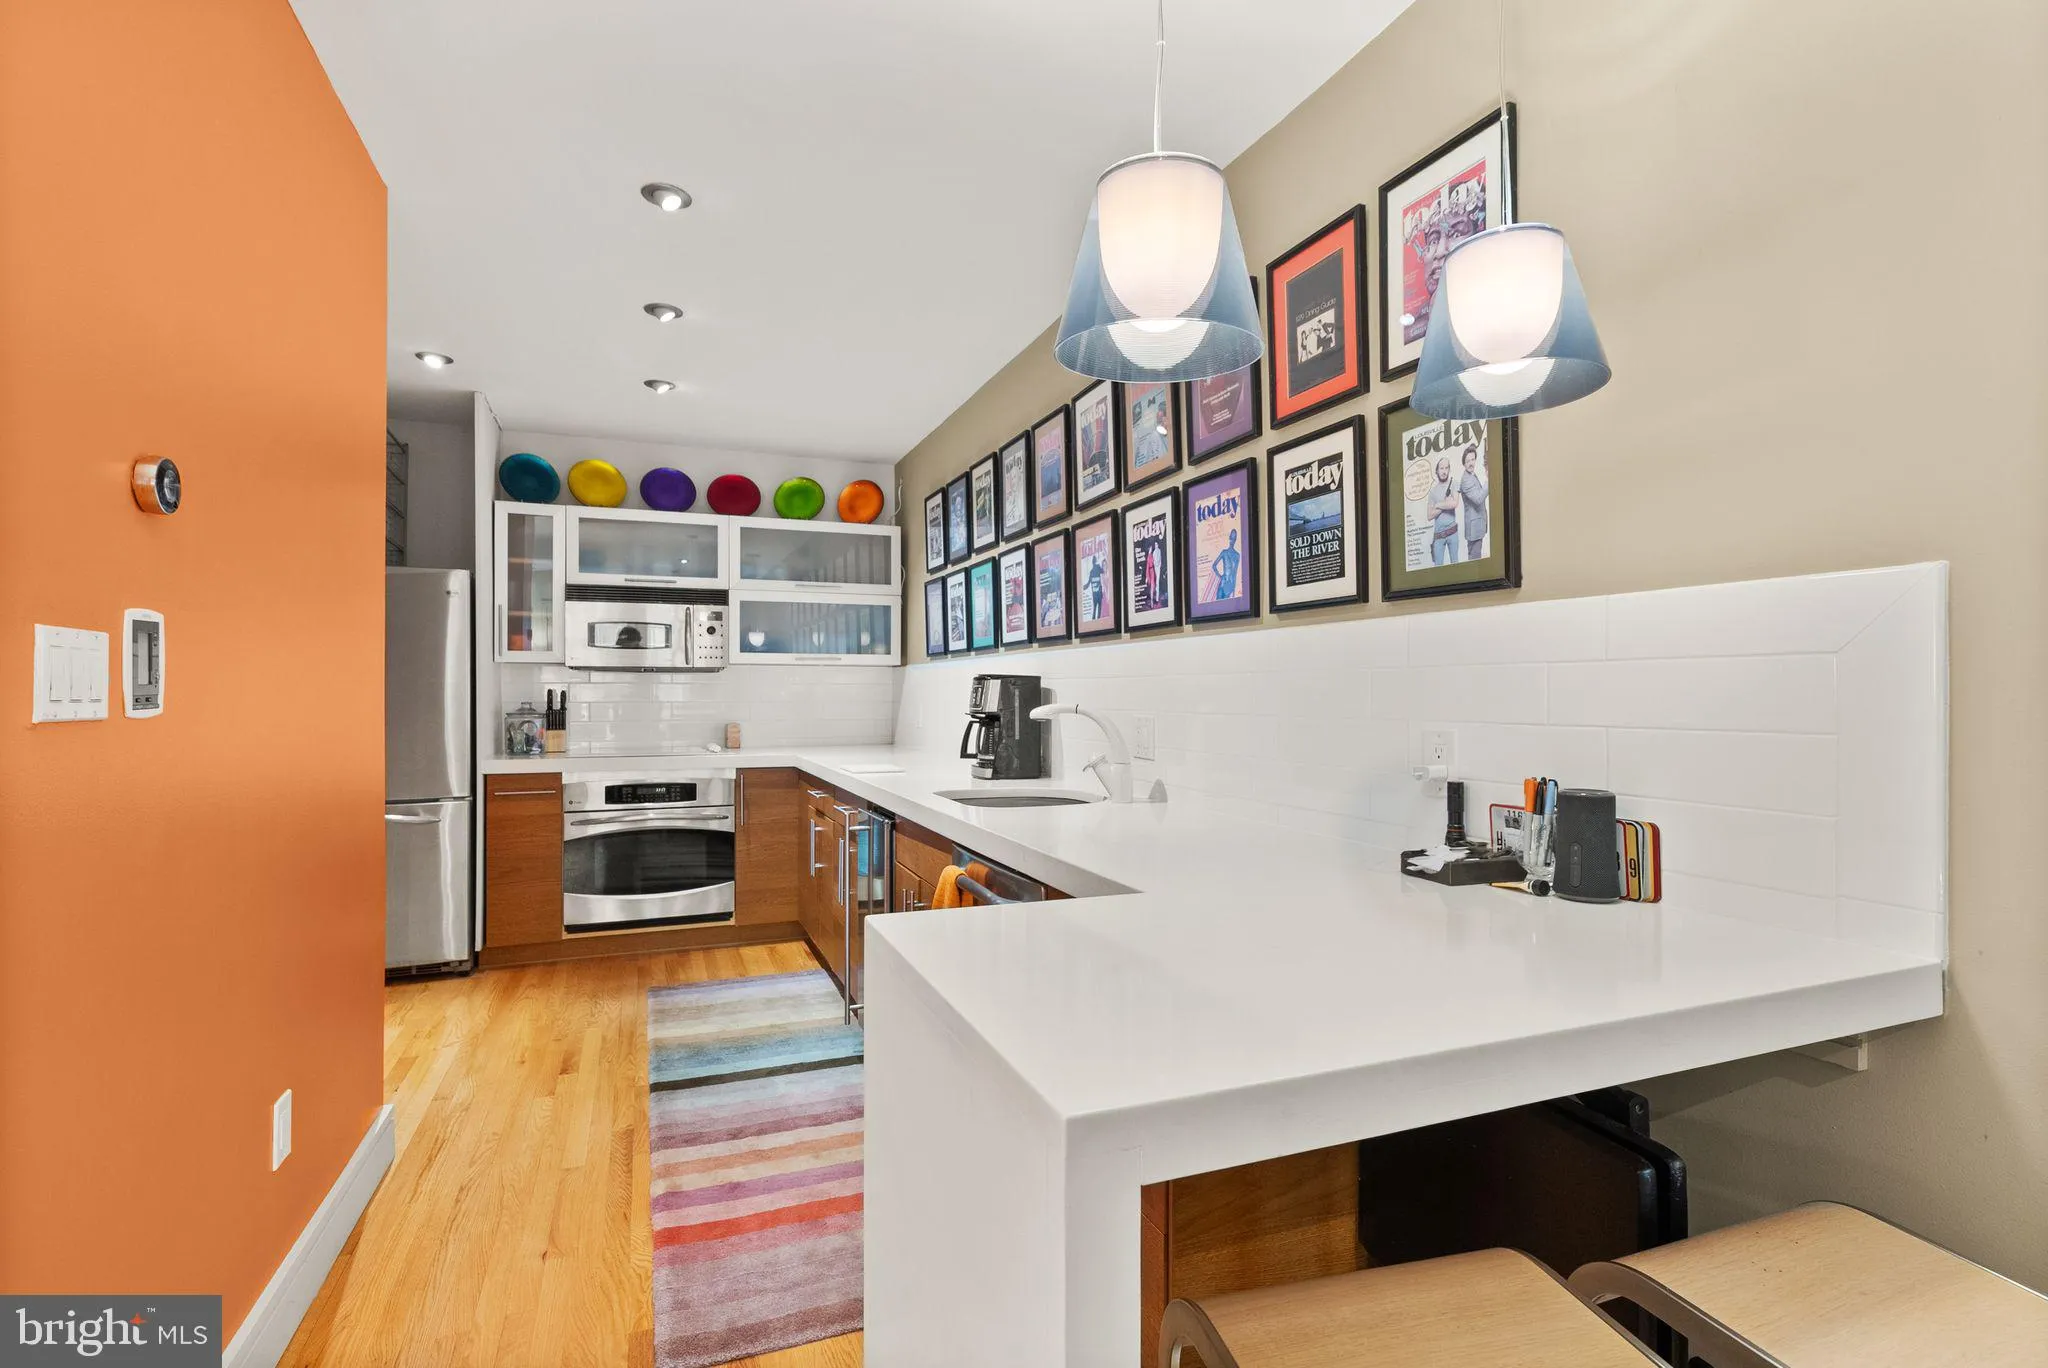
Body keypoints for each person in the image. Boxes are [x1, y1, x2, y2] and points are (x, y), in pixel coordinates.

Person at [1458, 444, 1489, 561]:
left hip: (1477, 525)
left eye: (1472, 459)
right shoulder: (1466, 480)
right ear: (1464, 463)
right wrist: (1489, 481)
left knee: (1476, 559)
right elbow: (1478, 499)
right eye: (1468, 461)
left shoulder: (1471, 474)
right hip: (1474, 529)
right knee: (1475, 560)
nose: (1471, 463)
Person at [1428, 455, 1459, 567]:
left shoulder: (1454, 483)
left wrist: (1437, 505)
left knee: (1455, 566)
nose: (1444, 471)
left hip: (1453, 533)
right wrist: (1445, 504)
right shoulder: (1433, 492)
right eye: (1441, 468)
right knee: (1438, 567)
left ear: (1449, 469)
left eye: (1446, 468)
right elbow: (1429, 515)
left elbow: (1455, 503)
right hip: (1438, 536)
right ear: (1437, 470)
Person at [1212, 528, 1240, 602]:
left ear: (1235, 539)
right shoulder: (1224, 552)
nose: (1232, 540)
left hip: (1230, 586)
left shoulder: (1237, 555)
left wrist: (1234, 590)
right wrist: (1220, 576)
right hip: (1223, 583)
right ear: (1229, 537)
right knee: (1218, 603)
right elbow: (1214, 565)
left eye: (1234, 538)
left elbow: (1235, 573)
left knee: (1225, 605)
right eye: (1231, 537)